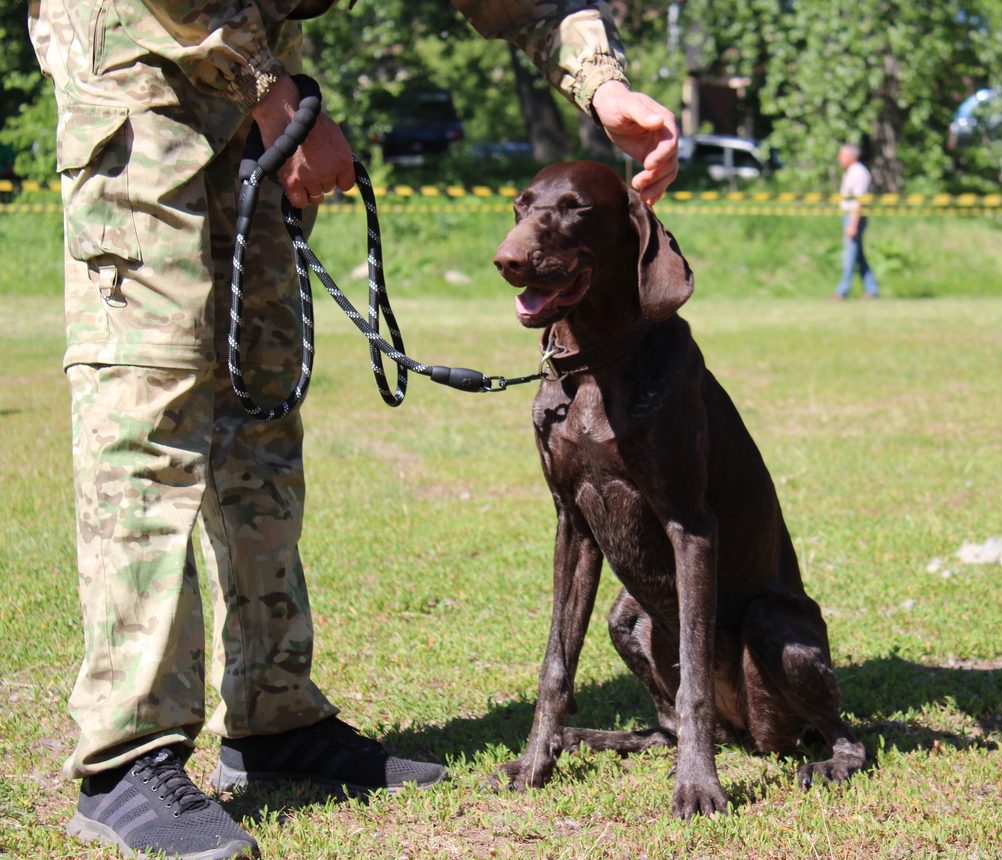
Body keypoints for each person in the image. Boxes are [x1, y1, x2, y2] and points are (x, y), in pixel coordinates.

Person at [25, 1, 678, 858]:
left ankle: (273, 720)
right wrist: (275, 93)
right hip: (141, 76)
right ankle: (127, 754)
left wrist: (603, 83)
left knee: (261, 411)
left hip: (256, 117)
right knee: (145, 410)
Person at [831, 143, 880, 300]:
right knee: (858, 255)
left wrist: (853, 224)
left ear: (852, 157)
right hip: (849, 216)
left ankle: (842, 291)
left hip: (854, 216)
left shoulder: (858, 172)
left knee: (849, 256)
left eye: (842, 155)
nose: (839, 158)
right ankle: (872, 289)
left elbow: (860, 200)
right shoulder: (851, 172)